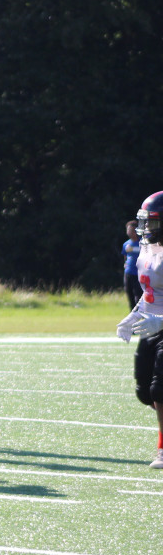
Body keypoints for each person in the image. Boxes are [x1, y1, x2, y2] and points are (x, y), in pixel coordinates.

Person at [117, 191, 163, 468]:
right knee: (145, 391)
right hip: (154, 324)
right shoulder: (148, 249)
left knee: (160, 389)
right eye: (145, 222)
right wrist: (134, 315)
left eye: (154, 222)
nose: (147, 229)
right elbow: (149, 292)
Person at [125, 219, 143, 309]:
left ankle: (139, 315)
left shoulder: (142, 243)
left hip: (139, 274)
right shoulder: (126, 244)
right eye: (128, 230)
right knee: (130, 295)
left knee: (138, 296)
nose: (129, 232)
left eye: (131, 230)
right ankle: (132, 316)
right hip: (128, 273)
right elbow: (125, 257)